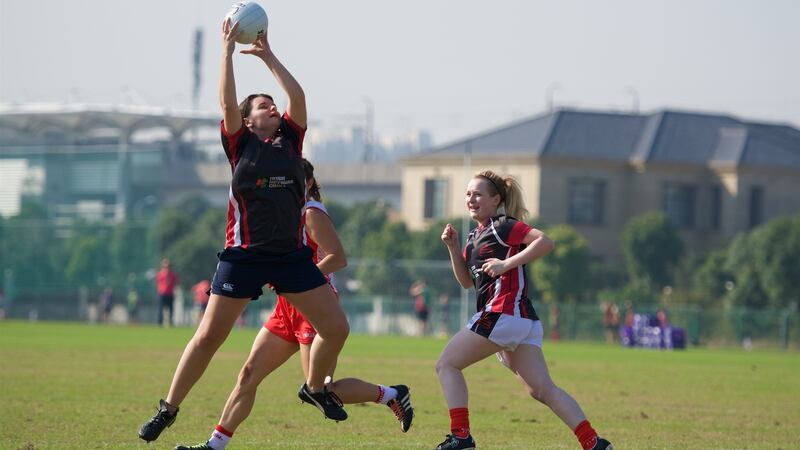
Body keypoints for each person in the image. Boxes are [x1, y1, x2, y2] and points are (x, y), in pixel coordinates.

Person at [138, 20, 350, 443]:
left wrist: (268, 55)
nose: (272, 108)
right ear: (248, 121)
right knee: (208, 338)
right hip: (244, 254)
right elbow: (226, 100)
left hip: (291, 257)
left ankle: (316, 388)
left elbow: (299, 97)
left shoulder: (291, 139)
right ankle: (168, 409)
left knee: (337, 328)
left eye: (273, 104)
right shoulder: (240, 143)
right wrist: (227, 50)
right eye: (263, 106)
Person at [175, 159, 414, 450]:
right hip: (288, 306)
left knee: (321, 389)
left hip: (312, 307)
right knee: (249, 374)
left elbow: (338, 258)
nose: (286, 184)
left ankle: (391, 394)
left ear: (309, 183)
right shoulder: (283, 214)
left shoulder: (311, 212)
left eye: (295, 179)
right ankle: (215, 445)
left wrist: (298, 281)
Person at [436, 170, 613, 450]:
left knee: (446, 364)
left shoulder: (503, 225)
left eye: (478, 194)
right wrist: (453, 247)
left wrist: (506, 264)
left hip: (503, 314)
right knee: (541, 390)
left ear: (496, 199)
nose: (471, 199)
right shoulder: (472, 237)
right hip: (520, 321)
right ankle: (594, 443)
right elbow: (467, 282)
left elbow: (545, 241)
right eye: (468, 194)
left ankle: (461, 436)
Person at [156, 258, 179, 326]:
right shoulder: (160, 274)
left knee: (171, 309)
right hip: (162, 293)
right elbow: (158, 283)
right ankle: (160, 323)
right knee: (161, 309)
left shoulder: (172, 274)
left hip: (170, 293)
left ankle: (170, 322)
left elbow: (175, 283)